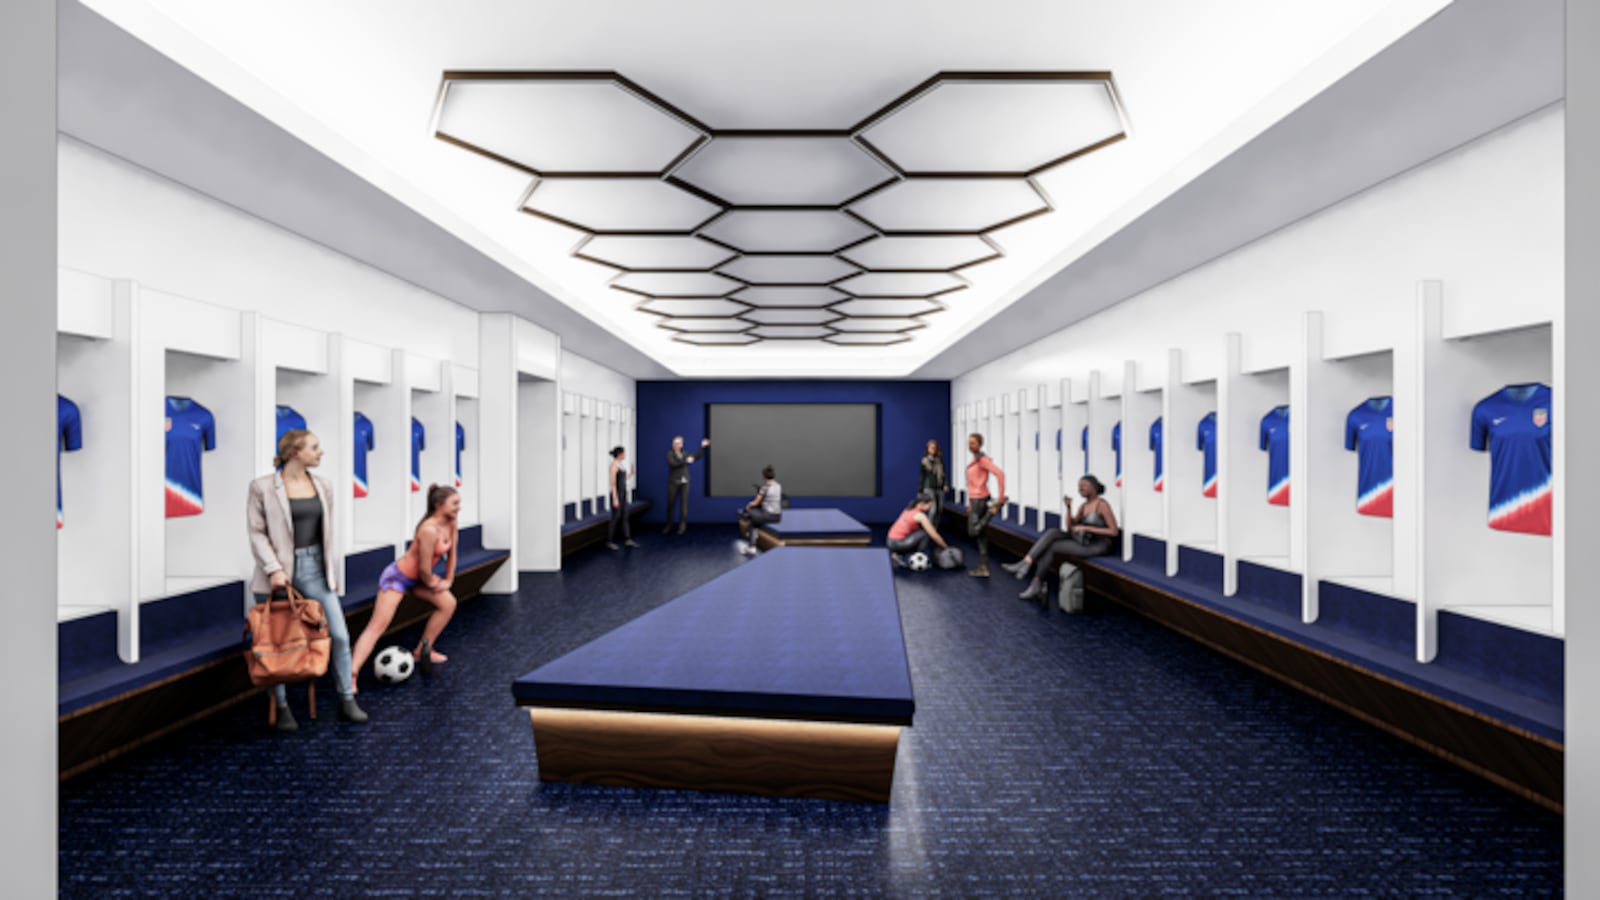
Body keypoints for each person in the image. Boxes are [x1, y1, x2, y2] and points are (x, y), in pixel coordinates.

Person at [246, 429, 367, 729]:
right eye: (314, 447)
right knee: (276, 641)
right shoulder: (262, 487)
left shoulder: (323, 486)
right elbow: (256, 533)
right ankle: (282, 706)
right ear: (294, 453)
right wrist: (274, 568)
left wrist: (330, 573)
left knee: (338, 635)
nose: (320, 452)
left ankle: (347, 699)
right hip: (276, 573)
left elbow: (326, 536)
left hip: (314, 568)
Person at [349, 484, 460, 689]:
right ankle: (351, 674)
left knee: (448, 604)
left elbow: (452, 555)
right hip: (398, 578)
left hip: (419, 579)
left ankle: (422, 650)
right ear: (439, 504)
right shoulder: (428, 529)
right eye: (454, 503)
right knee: (377, 626)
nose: (458, 508)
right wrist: (434, 582)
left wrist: (448, 580)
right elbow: (425, 569)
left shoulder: (451, 523)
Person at [1003, 475, 1120, 603]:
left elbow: (1113, 532)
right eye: (1079, 486)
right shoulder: (1083, 506)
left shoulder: (1102, 505)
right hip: (1084, 540)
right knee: (1053, 532)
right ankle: (1027, 562)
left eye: (1084, 485)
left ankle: (1034, 581)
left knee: (1053, 547)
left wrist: (1086, 529)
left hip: (1099, 545)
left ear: (1094, 487)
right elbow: (1070, 526)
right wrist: (1069, 508)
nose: (1081, 488)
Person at [964, 433, 1007, 577]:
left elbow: (1000, 474)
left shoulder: (982, 460)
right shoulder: (975, 460)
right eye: (969, 443)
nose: (971, 446)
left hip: (980, 499)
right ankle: (983, 567)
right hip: (975, 499)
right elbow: (971, 483)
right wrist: (970, 503)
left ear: (980, 445)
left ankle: (992, 511)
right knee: (981, 535)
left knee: (972, 532)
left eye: (974, 443)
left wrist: (1000, 497)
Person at [887, 491, 951, 568]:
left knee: (922, 531)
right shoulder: (920, 516)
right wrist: (946, 548)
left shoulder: (909, 509)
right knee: (925, 534)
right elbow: (934, 536)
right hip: (898, 543)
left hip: (890, 542)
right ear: (922, 504)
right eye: (929, 506)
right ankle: (920, 557)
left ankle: (898, 555)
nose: (930, 509)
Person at [663, 436, 710, 535]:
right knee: (670, 505)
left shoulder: (685, 454)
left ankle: (682, 527)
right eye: (674, 443)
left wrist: (702, 447)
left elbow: (696, 457)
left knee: (684, 506)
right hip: (673, 482)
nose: (675, 445)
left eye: (677, 443)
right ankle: (669, 526)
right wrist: (686, 461)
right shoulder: (669, 454)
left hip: (685, 482)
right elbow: (673, 464)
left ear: (681, 445)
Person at [735, 464, 782, 556]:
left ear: (764, 476)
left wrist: (748, 506)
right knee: (756, 517)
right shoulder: (778, 486)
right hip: (777, 516)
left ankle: (752, 546)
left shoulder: (764, 488)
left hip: (768, 515)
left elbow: (756, 503)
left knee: (751, 515)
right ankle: (754, 534)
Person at [606, 446, 640, 550]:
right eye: (623, 453)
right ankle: (609, 541)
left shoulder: (621, 465)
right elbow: (613, 484)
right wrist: (615, 499)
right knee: (616, 517)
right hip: (617, 494)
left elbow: (622, 479)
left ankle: (627, 539)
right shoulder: (613, 466)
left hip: (623, 494)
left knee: (625, 516)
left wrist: (631, 474)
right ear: (620, 454)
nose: (625, 455)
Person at [919, 439, 948, 525]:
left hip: (940, 487)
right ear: (928, 449)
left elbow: (943, 473)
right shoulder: (924, 461)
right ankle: (929, 528)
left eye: (935, 448)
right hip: (929, 488)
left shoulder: (940, 460)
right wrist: (920, 490)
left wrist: (945, 484)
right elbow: (922, 476)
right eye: (931, 448)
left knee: (940, 509)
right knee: (933, 509)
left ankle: (934, 528)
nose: (933, 450)